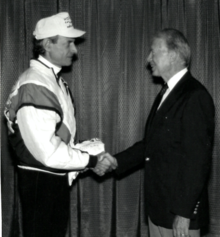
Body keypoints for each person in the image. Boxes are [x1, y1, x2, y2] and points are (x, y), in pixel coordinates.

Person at [4, 12, 117, 237]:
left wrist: (89, 155)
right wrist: (92, 160)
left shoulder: (54, 81)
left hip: (52, 180)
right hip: (41, 182)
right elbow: (48, 154)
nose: (74, 50)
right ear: (47, 44)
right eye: (68, 43)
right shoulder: (35, 84)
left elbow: (60, 142)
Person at [98, 29, 215, 237]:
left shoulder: (194, 96)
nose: (148, 58)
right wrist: (116, 161)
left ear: (174, 54)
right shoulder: (166, 92)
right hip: (159, 210)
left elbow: (198, 161)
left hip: (178, 216)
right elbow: (150, 145)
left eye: (153, 52)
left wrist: (184, 212)